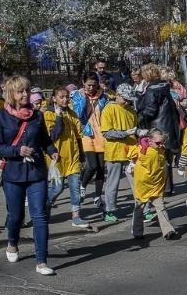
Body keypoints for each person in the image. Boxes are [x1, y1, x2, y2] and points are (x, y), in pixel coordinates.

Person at [0, 75, 59, 275]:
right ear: (11, 94)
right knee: (16, 215)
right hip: (13, 173)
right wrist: (17, 151)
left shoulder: (37, 115)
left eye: (27, 90)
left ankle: (42, 261)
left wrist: (52, 151)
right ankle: (12, 242)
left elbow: (45, 139)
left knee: (39, 215)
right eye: (21, 91)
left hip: (37, 172)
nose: (25, 94)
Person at [44, 86, 88, 228]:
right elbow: (53, 136)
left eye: (66, 97)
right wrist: (58, 117)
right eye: (61, 97)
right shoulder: (48, 115)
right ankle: (46, 206)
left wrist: (82, 157)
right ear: (54, 99)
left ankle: (76, 216)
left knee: (75, 187)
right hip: (57, 158)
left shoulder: (72, 113)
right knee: (57, 188)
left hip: (73, 157)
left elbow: (79, 136)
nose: (65, 99)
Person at [136, 63, 181, 196]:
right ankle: (168, 187)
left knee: (159, 159)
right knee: (166, 159)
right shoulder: (164, 87)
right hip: (168, 127)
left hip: (157, 127)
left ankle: (163, 188)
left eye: (143, 74)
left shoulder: (152, 90)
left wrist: (139, 119)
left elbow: (150, 111)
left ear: (147, 75)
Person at [127, 128, 177, 240]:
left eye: (163, 143)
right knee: (139, 209)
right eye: (158, 143)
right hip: (143, 184)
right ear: (149, 141)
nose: (161, 145)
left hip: (156, 185)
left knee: (161, 207)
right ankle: (137, 232)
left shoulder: (160, 150)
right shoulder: (142, 151)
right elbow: (131, 153)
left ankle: (168, 230)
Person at [101, 83, 138, 222]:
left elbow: (135, 128)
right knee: (113, 183)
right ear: (117, 95)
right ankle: (109, 210)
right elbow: (106, 132)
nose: (127, 101)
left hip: (131, 152)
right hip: (115, 152)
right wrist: (124, 134)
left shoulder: (131, 111)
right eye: (125, 98)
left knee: (137, 182)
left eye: (129, 99)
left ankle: (143, 209)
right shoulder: (109, 109)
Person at [72, 72, 108, 208]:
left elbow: (106, 113)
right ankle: (82, 185)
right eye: (89, 85)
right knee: (92, 165)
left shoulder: (103, 97)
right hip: (87, 133)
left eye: (94, 85)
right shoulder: (77, 95)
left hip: (101, 134)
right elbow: (78, 114)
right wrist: (83, 97)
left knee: (100, 167)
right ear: (83, 82)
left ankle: (98, 196)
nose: (91, 88)